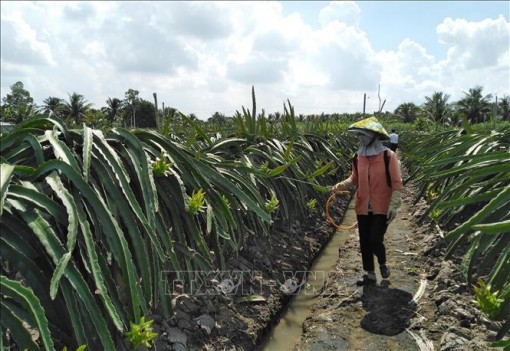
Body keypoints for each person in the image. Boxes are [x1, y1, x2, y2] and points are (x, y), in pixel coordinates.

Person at [331, 116, 403, 285]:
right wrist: (340, 185)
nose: (360, 139)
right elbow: (354, 179)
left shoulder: (388, 156)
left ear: (373, 136)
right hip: (363, 205)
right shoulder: (358, 157)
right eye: (359, 135)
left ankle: (383, 263)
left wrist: (394, 205)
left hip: (382, 207)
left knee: (375, 239)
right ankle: (370, 274)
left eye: (363, 135)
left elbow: (397, 183)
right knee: (364, 241)